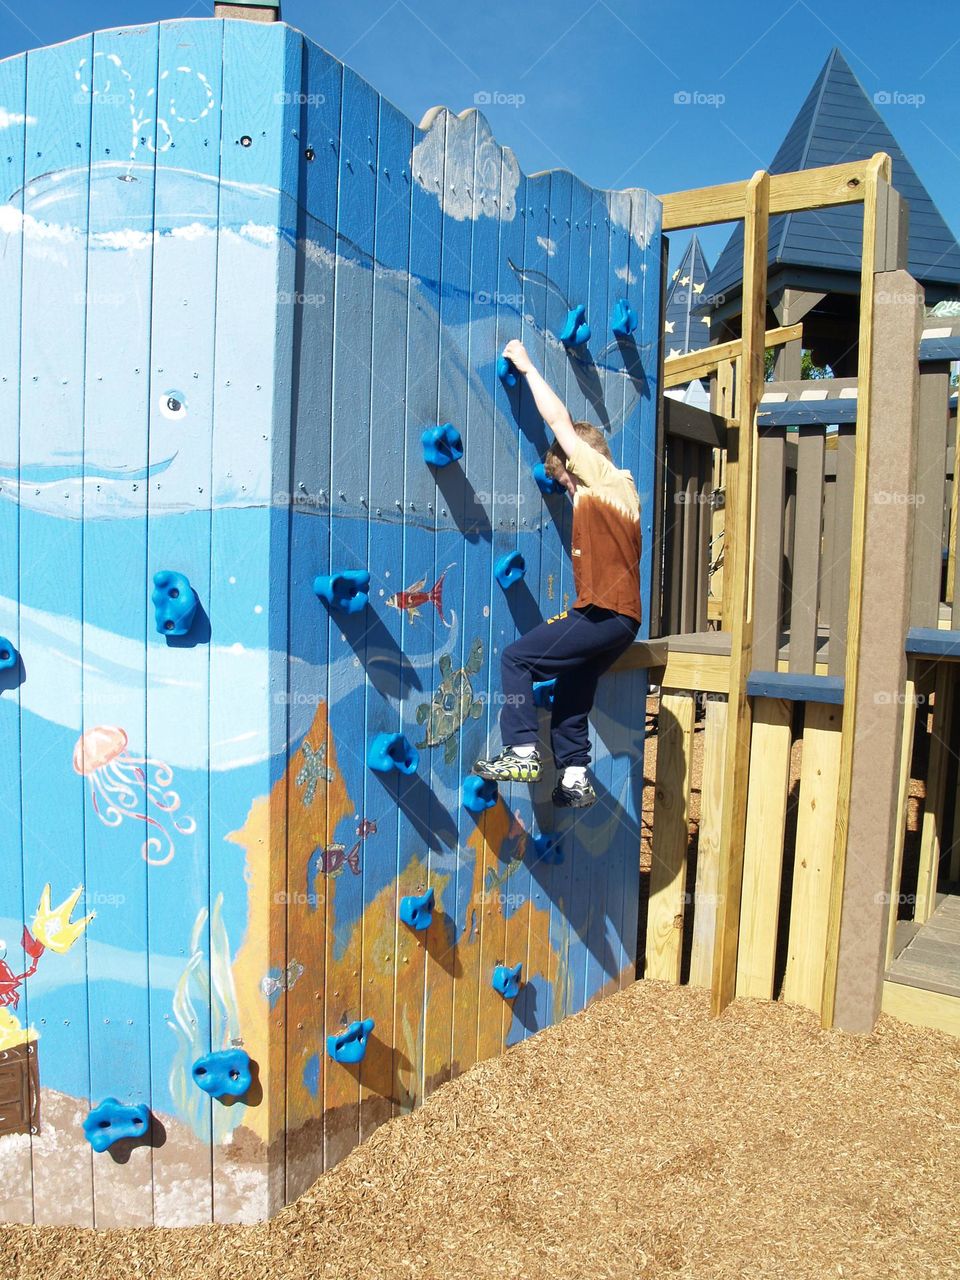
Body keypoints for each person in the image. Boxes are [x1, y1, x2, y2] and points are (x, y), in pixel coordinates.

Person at [473, 339, 641, 808]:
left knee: (517, 660)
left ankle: (523, 751)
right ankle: (574, 777)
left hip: (602, 613)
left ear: (577, 465)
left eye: (566, 482)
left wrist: (526, 367)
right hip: (623, 624)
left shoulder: (603, 476)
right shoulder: (622, 501)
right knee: (572, 691)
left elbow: (559, 422)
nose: (568, 492)